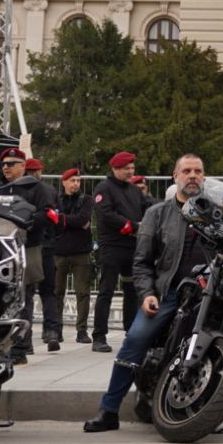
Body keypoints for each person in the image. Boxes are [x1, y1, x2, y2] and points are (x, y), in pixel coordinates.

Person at [83, 153, 223, 433]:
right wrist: (146, 294)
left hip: (217, 294)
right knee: (136, 337)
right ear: (175, 176)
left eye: (198, 171)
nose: (193, 176)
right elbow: (141, 262)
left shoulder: (221, 211)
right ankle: (109, 410)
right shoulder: (158, 213)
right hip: (171, 293)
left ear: (204, 177)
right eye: (187, 171)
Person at [0, 147, 58, 360]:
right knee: (3, 298)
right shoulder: (0, 188)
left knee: (24, 297)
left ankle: (21, 347)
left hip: (27, 247)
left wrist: (28, 223)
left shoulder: (36, 188)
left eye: (11, 164)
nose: (6, 168)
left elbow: (49, 214)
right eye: (4, 164)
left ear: (23, 166)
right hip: (3, 249)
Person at [92, 150, 145, 351]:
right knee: (106, 291)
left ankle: (131, 332)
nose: (131, 172)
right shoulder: (104, 188)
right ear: (115, 169)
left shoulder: (133, 190)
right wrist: (131, 225)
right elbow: (105, 214)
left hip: (132, 247)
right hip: (112, 247)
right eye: (126, 168)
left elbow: (147, 206)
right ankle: (99, 337)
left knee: (132, 291)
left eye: (132, 168)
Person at [24, 156, 63, 351]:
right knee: (48, 292)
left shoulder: (20, 189)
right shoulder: (49, 190)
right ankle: (51, 332)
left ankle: (26, 339)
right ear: (39, 172)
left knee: (27, 293)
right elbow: (57, 218)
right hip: (47, 246)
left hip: (29, 246)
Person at [54, 167, 95, 344]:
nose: (76, 184)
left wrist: (62, 220)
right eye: (72, 180)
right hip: (59, 251)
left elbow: (83, 219)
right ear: (64, 182)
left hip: (81, 251)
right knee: (57, 292)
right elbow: (53, 223)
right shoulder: (56, 199)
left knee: (83, 292)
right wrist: (74, 221)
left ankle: (82, 330)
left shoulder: (86, 199)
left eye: (78, 181)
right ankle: (56, 329)